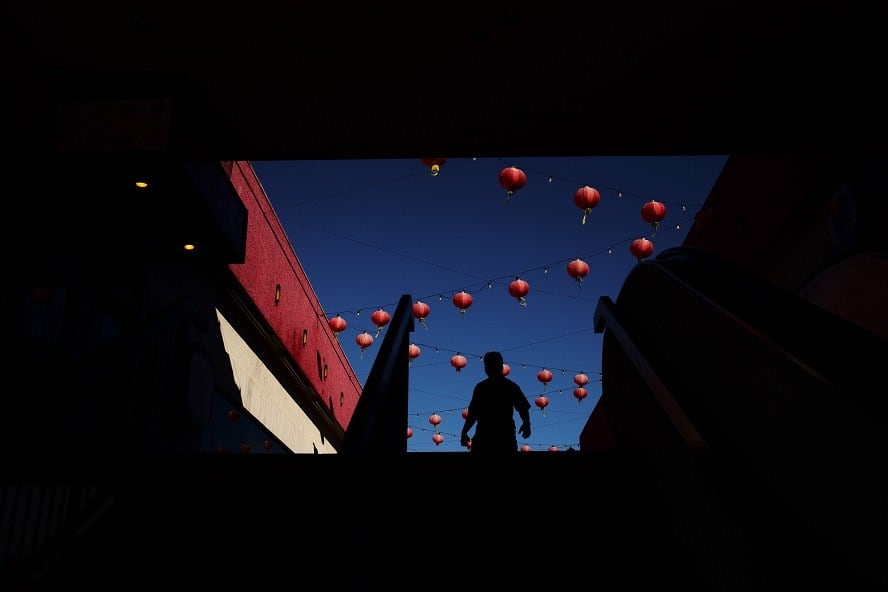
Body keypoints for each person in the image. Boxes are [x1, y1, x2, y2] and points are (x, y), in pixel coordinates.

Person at [460, 351, 531, 453]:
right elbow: (523, 407)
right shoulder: (509, 386)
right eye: (487, 365)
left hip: (488, 437)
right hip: (502, 437)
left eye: (489, 365)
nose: (488, 368)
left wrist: (464, 432)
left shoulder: (482, 387)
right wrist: (526, 423)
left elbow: (473, 414)